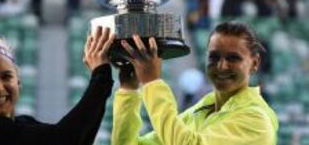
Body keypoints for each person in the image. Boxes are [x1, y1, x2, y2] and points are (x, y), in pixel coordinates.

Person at [112, 21, 278, 145]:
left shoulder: (257, 121)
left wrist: (152, 82)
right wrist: (129, 90)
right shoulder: (202, 110)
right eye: (214, 57)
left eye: (233, 58)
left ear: (255, 63)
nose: (222, 66)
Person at [0, 26, 116, 145]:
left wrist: (101, 76)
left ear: (18, 82)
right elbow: (65, 139)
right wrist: (100, 75)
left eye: (6, 77)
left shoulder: (22, 123)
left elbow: (79, 139)